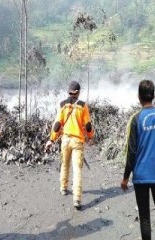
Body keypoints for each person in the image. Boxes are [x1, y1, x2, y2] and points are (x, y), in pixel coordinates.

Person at [121, 80, 155, 240]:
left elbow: (132, 151)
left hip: (141, 176)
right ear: (154, 95)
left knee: (144, 218)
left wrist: (125, 177)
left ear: (139, 97)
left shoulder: (136, 119)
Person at [45, 81, 94, 210]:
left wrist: (51, 139)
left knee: (64, 164)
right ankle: (77, 199)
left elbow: (57, 125)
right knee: (77, 169)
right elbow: (88, 125)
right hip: (77, 142)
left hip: (65, 140)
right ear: (78, 92)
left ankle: (63, 188)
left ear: (69, 91)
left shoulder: (63, 104)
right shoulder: (83, 106)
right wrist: (90, 138)